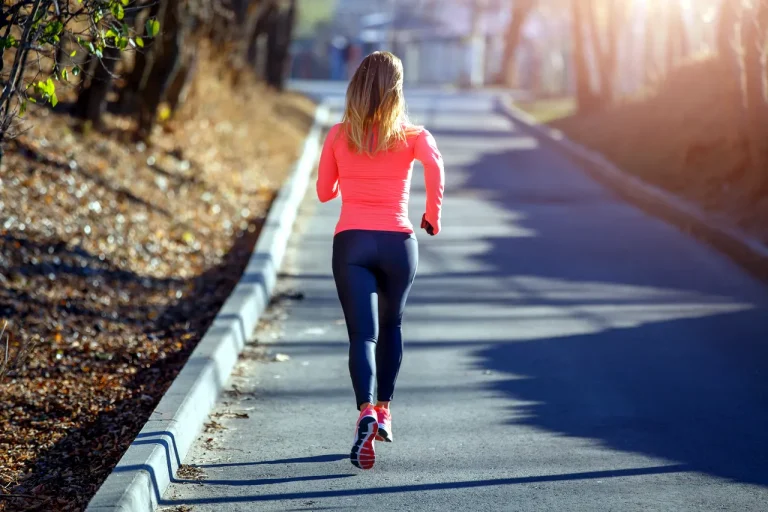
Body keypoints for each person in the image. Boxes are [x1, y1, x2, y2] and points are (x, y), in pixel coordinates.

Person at [316, 51, 445, 470]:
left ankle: (365, 411)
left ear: (356, 87)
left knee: (362, 336)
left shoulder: (338, 135)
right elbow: (435, 165)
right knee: (393, 326)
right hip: (398, 243)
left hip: (352, 242)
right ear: (397, 90)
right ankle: (386, 412)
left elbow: (323, 191)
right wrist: (432, 215)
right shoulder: (413, 134)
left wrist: (348, 180)